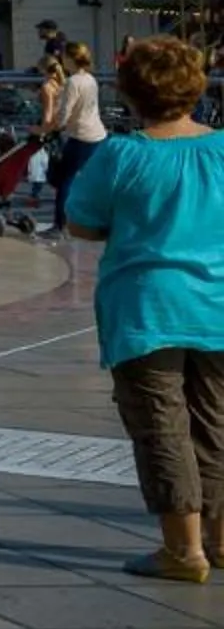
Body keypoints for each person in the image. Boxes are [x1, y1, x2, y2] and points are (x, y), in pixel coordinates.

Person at [62, 36, 224, 584]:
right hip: (218, 308)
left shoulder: (122, 154)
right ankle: (221, 541)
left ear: (132, 96)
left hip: (146, 310)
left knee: (162, 427)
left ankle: (183, 551)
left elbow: (81, 223)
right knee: (216, 425)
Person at [44, 41, 111, 218]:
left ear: (70, 59)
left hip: (81, 136)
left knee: (64, 179)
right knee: (92, 179)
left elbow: (65, 113)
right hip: (98, 134)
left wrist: (51, 127)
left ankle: (60, 222)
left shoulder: (72, 82)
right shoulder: (91, 79)